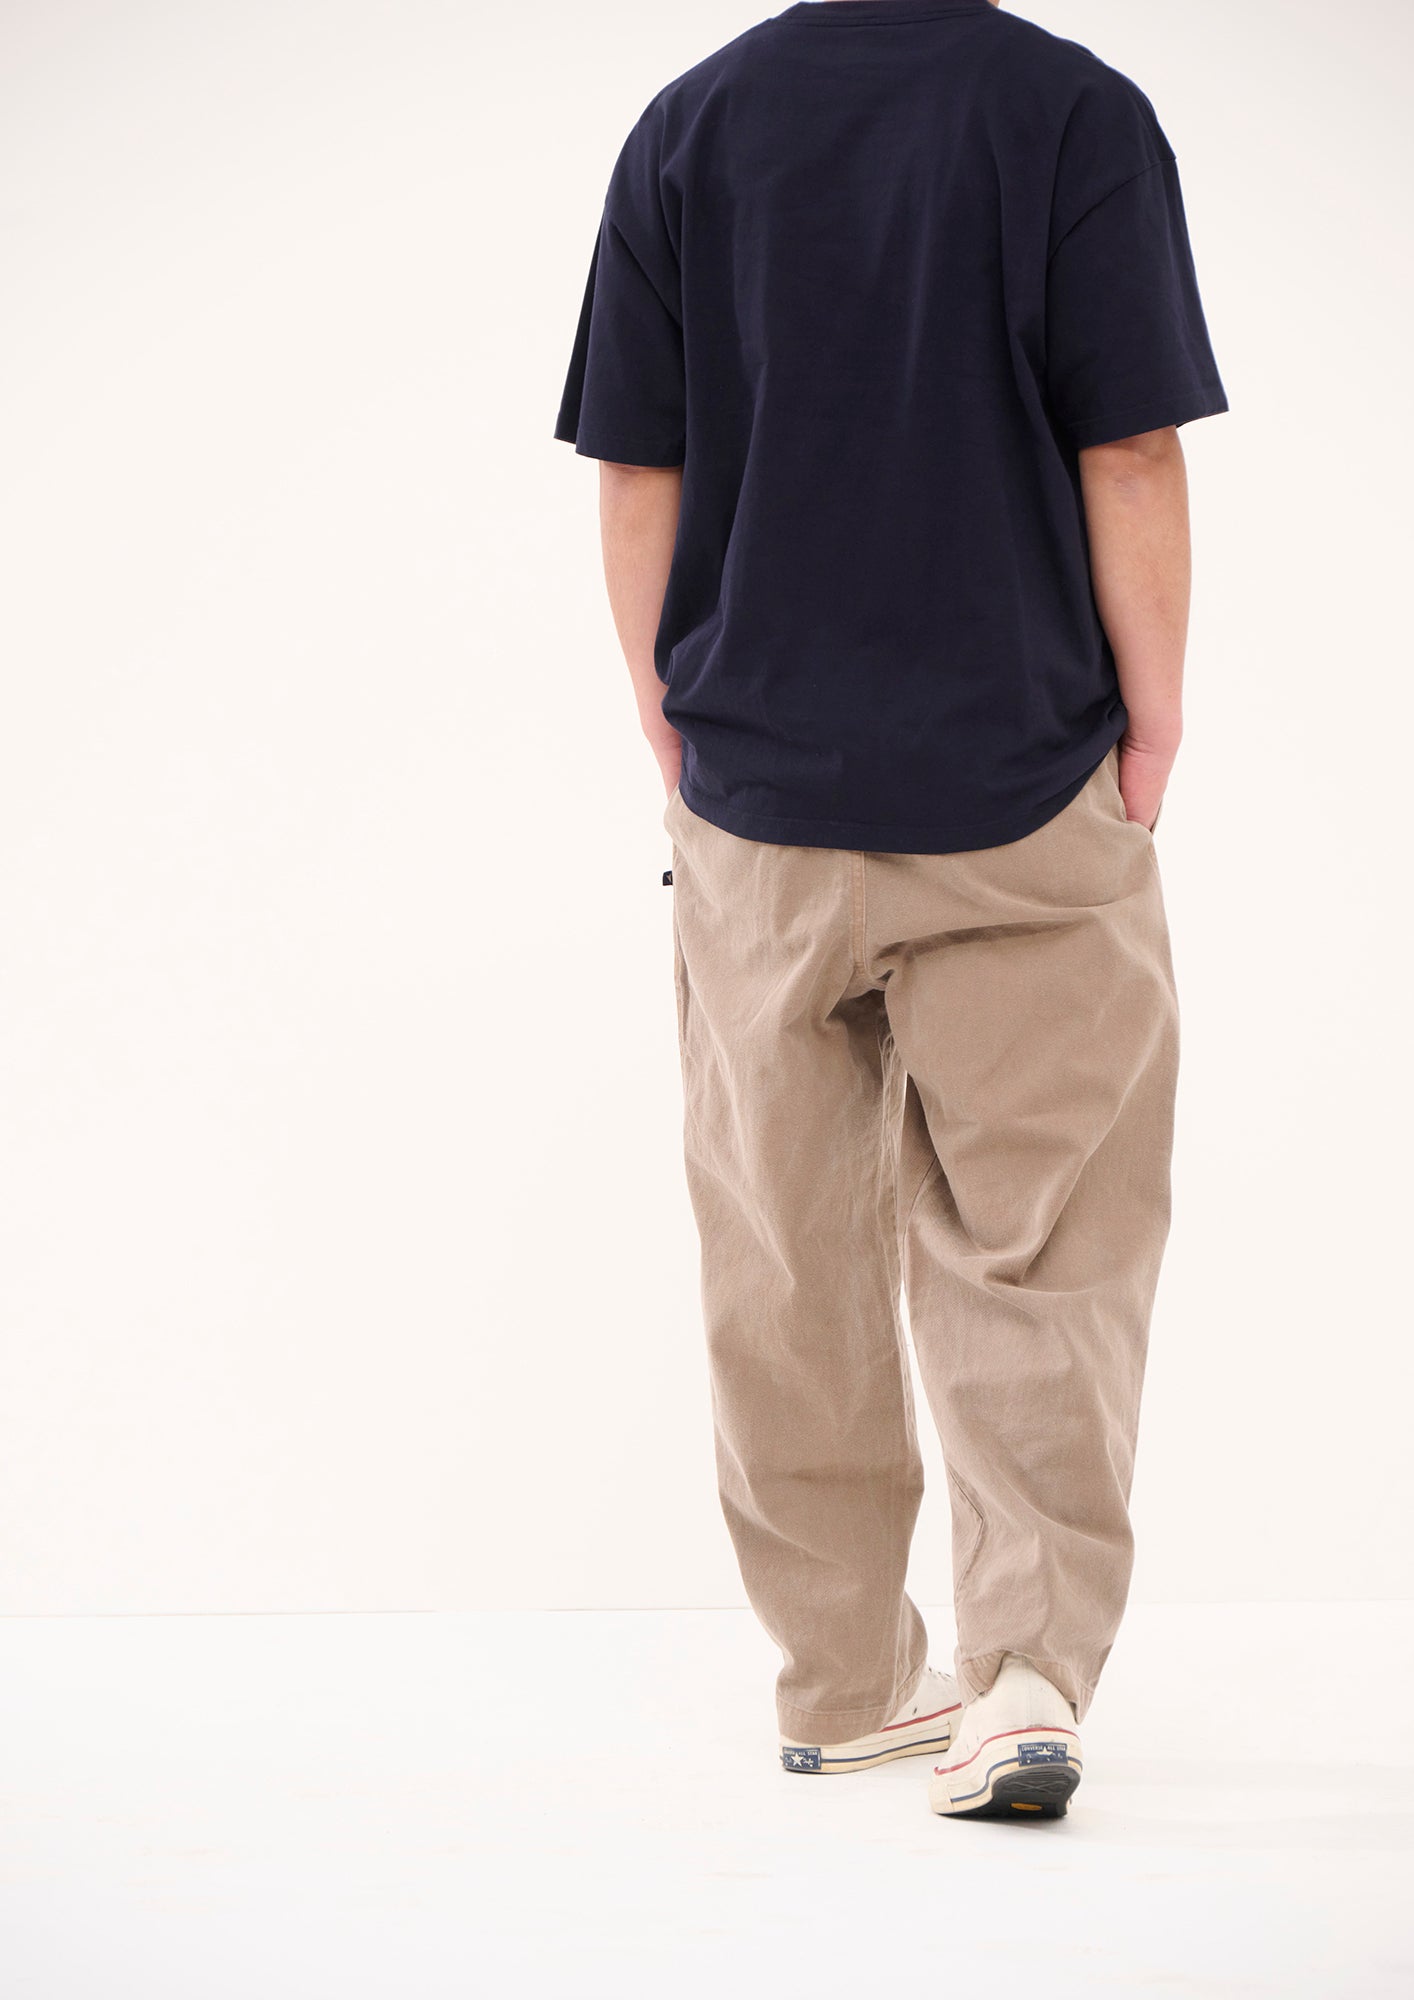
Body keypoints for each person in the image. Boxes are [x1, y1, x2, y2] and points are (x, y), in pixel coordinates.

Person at [553, 0, 1227, 1822]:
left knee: (783, 1253)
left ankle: (841, 1683)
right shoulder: (1070, 113)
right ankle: (1023, 1683)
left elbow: (636, 468)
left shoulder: (690, 126)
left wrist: (667, 715)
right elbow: (1130, 453)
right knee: (1042, 1247)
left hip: (758, 802)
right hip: (1022, 786)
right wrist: (1153, 719)